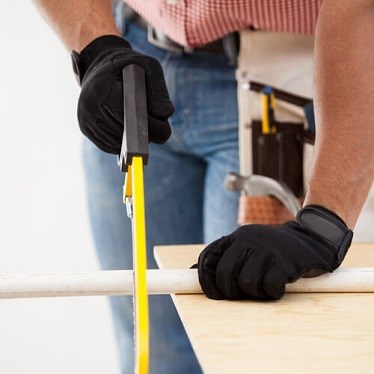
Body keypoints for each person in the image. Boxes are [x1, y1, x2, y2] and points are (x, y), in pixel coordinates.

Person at [33, 0, 373, 373]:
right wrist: (95, 47)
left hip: (280, 83)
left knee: (252, 352)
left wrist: (323, 224)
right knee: (155, 352)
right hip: (130, 66)